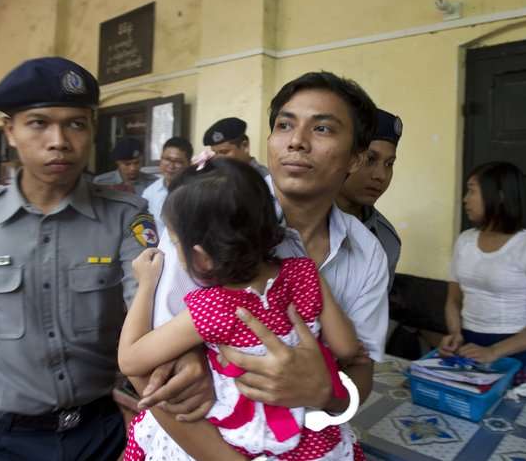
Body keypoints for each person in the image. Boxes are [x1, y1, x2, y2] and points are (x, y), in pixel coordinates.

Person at [125, 71, 389, 460]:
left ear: (355, 158)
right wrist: (198, 355)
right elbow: (148, 374)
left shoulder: (368, 254)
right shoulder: (207, 217)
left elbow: (360, 365)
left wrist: (327, 392)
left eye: (322, 128)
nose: (296, 141)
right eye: (284, 125)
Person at [0, 57, 159, 461]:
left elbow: (148, 311)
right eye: (38, 123)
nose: (59, 140)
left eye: (76, 124)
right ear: (10, 131)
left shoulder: (126, 217)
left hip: (96, 435)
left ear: (92, 130)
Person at [121, 158, 365, 460]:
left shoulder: (213, 308)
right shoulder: (305, 273)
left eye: (175, 242)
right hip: (310, 441)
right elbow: (347, 347)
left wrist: (146, 284)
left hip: (238, 441)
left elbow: (131, 360)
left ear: (201, 257)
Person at [440, 161, 526, 387]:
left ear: (500, 195)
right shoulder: (464, 241)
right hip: (469, 345)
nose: (465, 199)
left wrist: (494, 352)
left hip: (516, 351)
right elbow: (453, 300)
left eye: (472, 190)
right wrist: (455, 334)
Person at [337, 108, 402, 289]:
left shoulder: (386, 239)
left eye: (389, 164)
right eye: (370, 159)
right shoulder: (300, 223)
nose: (381, 175)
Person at [141, 136, 193, 236]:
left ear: (189, 164)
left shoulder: (197, 192)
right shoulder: (150, 192)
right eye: (167, 159)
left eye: (178, 162)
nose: (171, 166)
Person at [203, 117, 269, 178]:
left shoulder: (264, 178)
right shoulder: (219, 176)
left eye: (224, 152)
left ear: (245, 146)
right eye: (215, 153)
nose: (218, 158)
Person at [94, 137, 158, 195]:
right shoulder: (102, 183)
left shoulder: (153, 183)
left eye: (137, 163)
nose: (133, 168)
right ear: (117, 162)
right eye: (127, 164)